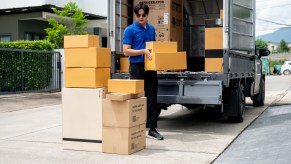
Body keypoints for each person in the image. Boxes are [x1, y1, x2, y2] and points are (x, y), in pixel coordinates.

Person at [123, 2, 164, 140]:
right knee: (137, 99)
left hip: (150, 68)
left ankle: (152, 129)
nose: (141, 18)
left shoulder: (151, 29)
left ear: (147, 15)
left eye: (144, 15)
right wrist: (143, 51)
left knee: (152, 99)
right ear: (135, 15)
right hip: (136, 68)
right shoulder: (129, 30)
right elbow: (125, 51)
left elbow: (153, 47)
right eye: (138, 15)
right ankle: (136, 128)